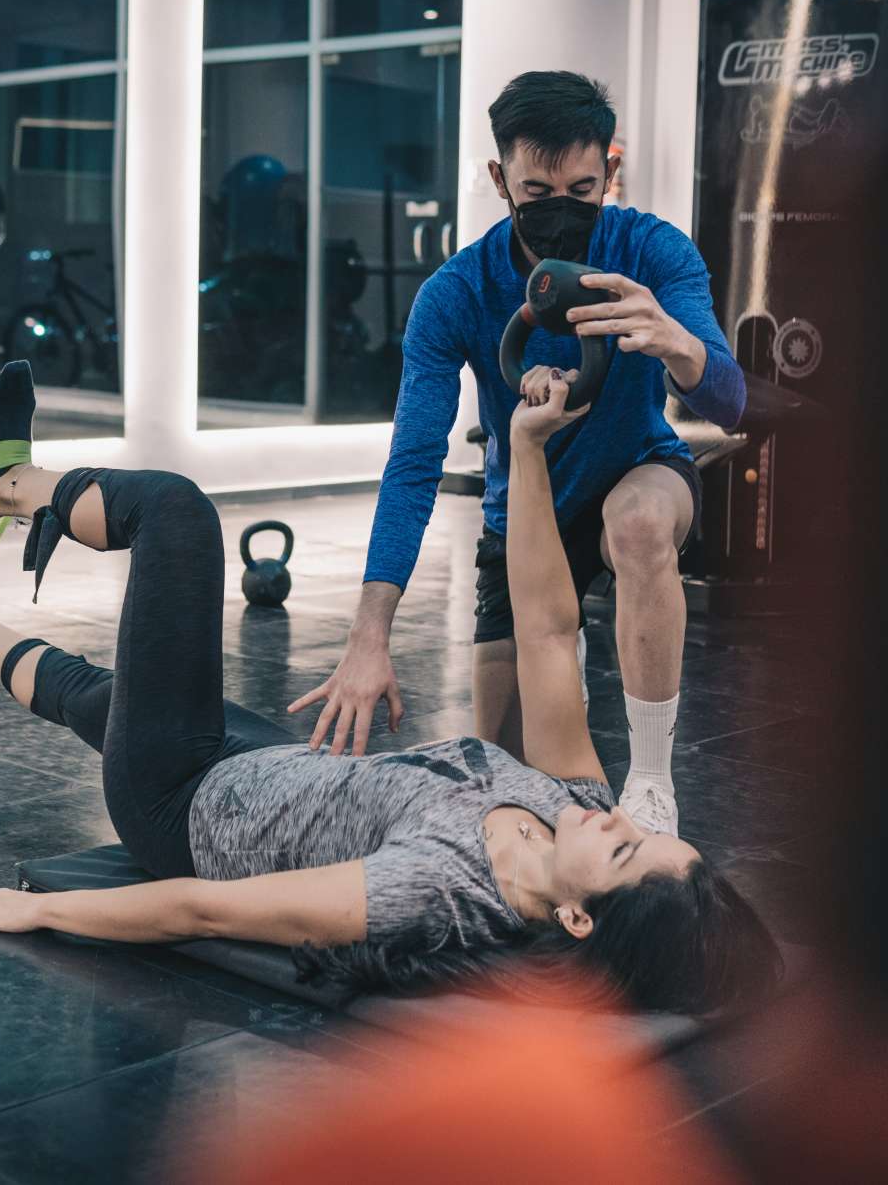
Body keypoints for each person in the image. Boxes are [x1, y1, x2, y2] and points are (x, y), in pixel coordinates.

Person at [0, 362, 777, 1015]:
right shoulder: (574, 802)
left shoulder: (442, 890)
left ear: (580, 920)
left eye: (625, 851)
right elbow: (549, 631)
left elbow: (205, 910)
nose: (619, 816)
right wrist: (523, 447)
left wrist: (40, 913)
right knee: (104, 698)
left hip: (180, 806)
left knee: (175, 516)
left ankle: (3, 485)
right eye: (641, 830)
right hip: (270, 765)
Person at [291, 71, 746, 837]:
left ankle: (651, 782)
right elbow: (414, 464)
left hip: (639, 471)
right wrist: (369, 636)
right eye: (537, 190)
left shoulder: (651, 249)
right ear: (500, 178)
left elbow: (729, 404)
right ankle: (560, 676)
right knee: (504, 782)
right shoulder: (456, 293)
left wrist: (677, 343)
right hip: (526, 508)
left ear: (610, 171)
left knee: (638, 524)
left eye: (582, 188)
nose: (560, 207)